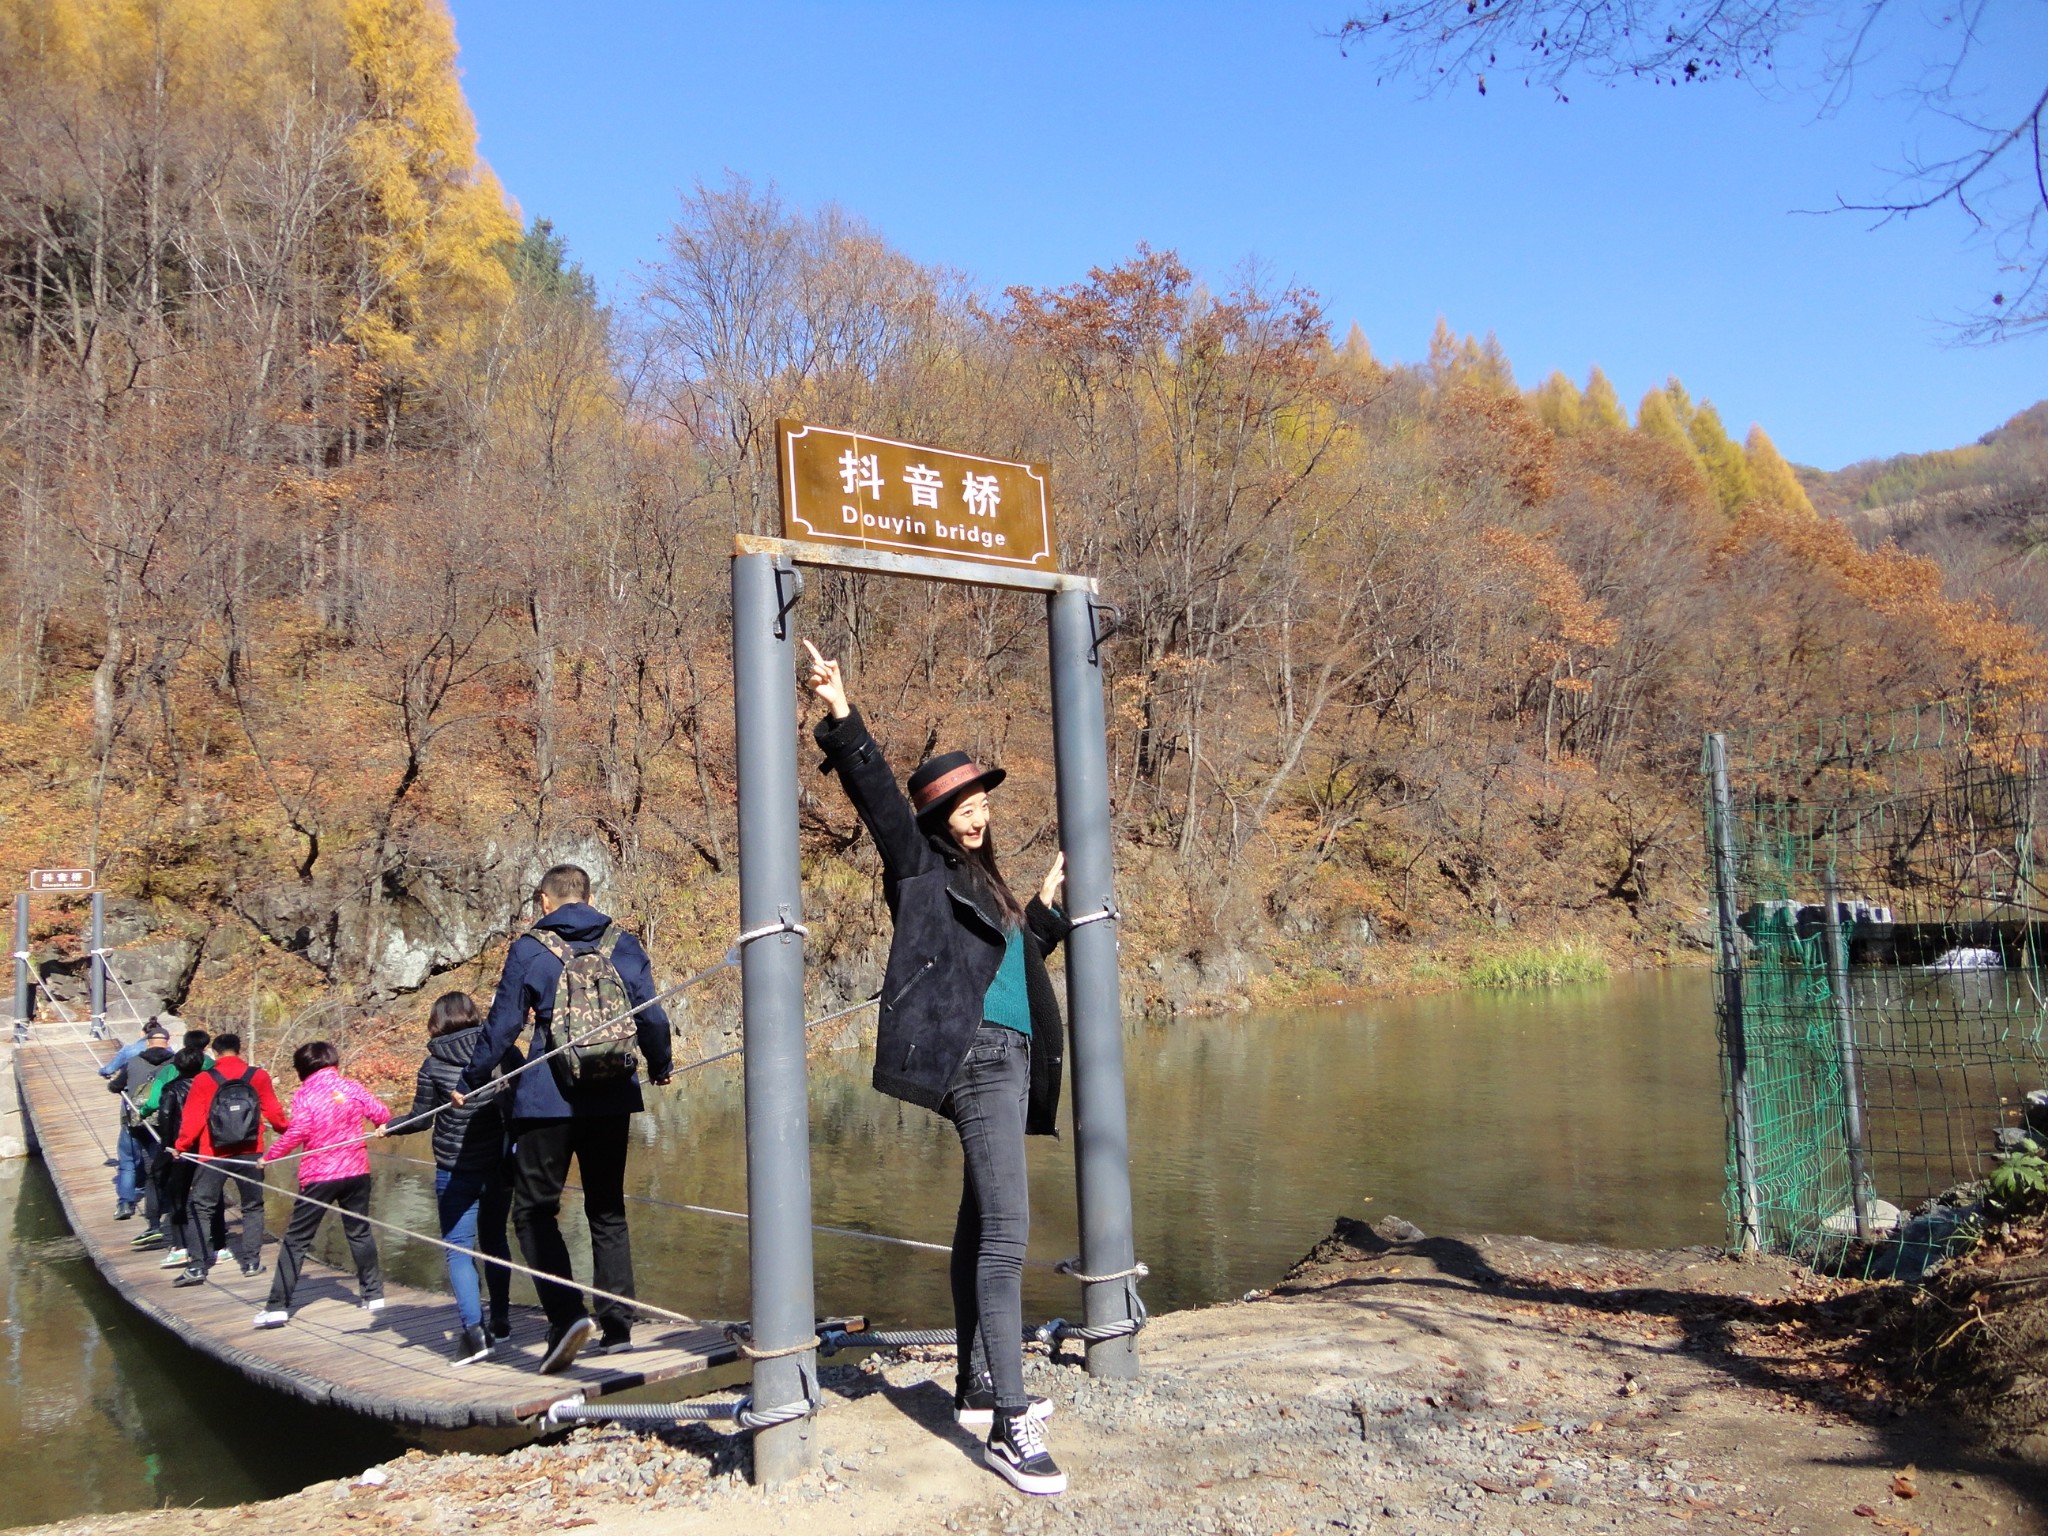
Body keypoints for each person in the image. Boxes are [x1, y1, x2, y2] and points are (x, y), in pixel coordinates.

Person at [805, 640, 1072, 1497]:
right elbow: (879, 799)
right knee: (1008, 1238)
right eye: (958, 802)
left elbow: (1005, 960)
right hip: (976, 1062)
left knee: (978, 1227)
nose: (973, 811)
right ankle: (1010, 1426)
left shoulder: (982, 882)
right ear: (934, 814)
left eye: (979, 799)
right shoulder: (919, 870)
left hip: (1011, 1058)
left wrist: (1047, 915)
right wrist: (844, 717)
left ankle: (976, 1385)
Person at [458, 865, 673, 1374]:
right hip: (612, 1096)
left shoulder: (531, 947)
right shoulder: (622, 942)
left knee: (534, 1210)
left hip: (546, 1097)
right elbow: (652, 1014)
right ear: (589, 895)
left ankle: (566, 1314)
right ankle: (618, 1328)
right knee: (607, 1208)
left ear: (545, 899)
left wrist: (470, 1081)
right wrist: (660, 1063)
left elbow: (504, 1023)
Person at [388, 991, 518, 1363]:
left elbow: (421, 1118)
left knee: (459, 1249)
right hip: (497, 1164)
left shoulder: (433, 1063)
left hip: (454, 1168)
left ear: (437, 1021)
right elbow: (523, 1092)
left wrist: (388, 1127)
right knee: (495, 1241)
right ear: (473, 1015)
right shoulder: (500, 1049)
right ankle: (503, 1321)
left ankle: (475, 1333)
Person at [253, 1040, 390, 1327]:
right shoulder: (351, 1087)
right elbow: (382, 1115)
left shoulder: (305, 1094)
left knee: (297, 1240)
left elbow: (298, 1131)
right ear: (334, 1063)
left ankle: (278, 1306)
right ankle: (373, 1295)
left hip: (320, 1176)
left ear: (303, 1068)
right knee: (359, 1232)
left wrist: (270, 1156)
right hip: (356, 1172)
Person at [172, 1031, 288, 1287]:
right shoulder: (257, 1076)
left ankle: (197, 1267)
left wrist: (180, 1146)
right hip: (250, 1151)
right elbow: (274, 1113)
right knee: (253, 1206)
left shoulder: (204, 1079)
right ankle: (251, 1263)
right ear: (239, 1050)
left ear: (214, 1053)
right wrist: (288, 1132)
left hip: (213, 1152)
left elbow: (193, 1119)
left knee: (201, 1207)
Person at [145, 1043, 212, 1272]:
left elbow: (165, 1116)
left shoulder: (172, 1089)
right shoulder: (208, 1085)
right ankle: (212, 1243)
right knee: (206, 1198)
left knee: (177, 1197)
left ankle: (180, 1246)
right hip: (205, 1148)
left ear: (177, 1066)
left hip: (179, 1149)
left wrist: (167, 1145)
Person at [105, 1020, 172, 1222]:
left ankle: (125, 1203)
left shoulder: (133, 1061)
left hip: (134, 1120)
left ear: (147, 1043)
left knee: (127, 1162)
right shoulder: (175, 1063)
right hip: (164, 1121)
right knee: (162, 1161)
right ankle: (165, 1201)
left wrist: (117, 1085)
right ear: (168, 1043)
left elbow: (115, 1086)